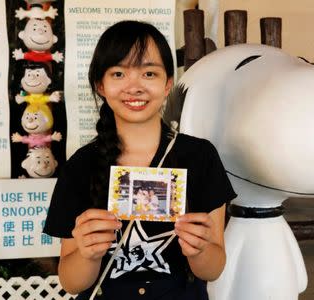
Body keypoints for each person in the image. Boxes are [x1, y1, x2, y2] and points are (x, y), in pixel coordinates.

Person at [43, 20, 236, 300]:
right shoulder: (81, 166)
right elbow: (71, 283)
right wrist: (87, 254)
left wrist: (201, 249)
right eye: (118, 74)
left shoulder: (200, 157)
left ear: (168, 82)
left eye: (149, 73)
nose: (134, 87)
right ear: (101, 84)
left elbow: (213, 269)